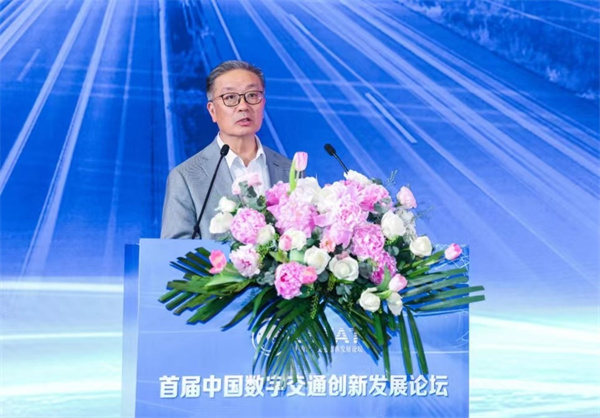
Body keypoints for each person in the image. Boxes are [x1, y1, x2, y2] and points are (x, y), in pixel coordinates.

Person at [160, 60, 291, 239]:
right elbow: (174, 251)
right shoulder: (186, 177)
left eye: (253, 95)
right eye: (230, 98)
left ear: (263, 103)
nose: (243, 106)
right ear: (212, 110)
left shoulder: (289, 170)